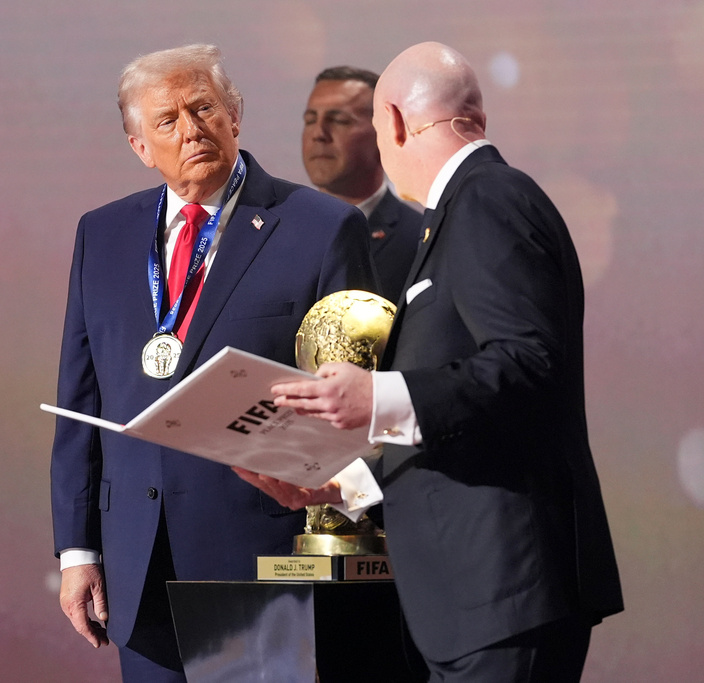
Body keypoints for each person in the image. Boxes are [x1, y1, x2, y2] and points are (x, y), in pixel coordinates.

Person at [236, 42, 623, 682]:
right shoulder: (465, 207)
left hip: (501, 593)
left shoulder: (486, 198)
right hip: (472, 602)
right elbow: (470, 414)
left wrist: (378, 397)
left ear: (391, 121)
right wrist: (345, 490)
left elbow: (530, 364)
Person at [50, 44, 377, 682]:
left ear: (236, 116)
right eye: (167, 120)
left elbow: (360, 402)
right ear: (139, 145)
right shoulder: (102, 235)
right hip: (136, 568)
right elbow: (80, 401)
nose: (192, 129)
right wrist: (77, 550)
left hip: (263, 564)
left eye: (203, 108)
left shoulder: (319, 228)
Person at [302, 66, 423, 303]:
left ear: (384, 133)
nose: (318, 133)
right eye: (310, 120)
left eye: (339, 120)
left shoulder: (419, 241)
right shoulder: (279, 233)